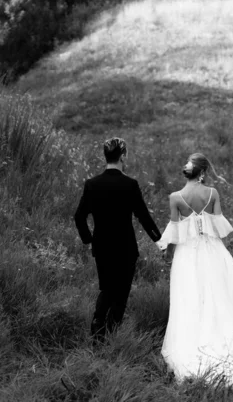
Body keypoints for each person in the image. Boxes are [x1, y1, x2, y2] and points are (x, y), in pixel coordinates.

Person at [158, 153, 233, 385]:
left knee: (189, 299)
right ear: (203, 172)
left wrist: (167, 252)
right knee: (219, 296)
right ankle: (226, 341)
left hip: (186, 255)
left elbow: (174, 234)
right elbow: (219, 229)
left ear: (190, 171)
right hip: (213, 252)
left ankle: (192, 345)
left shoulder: (175, 197)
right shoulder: (212, 193)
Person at [74, 137, 162, 342]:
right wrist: (159, 241)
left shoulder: (92, 184)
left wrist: (88, 239)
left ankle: (97, 329)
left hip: (102, 246)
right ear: (123, 156)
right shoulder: (130, 184)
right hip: (126, 248)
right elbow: (143, 216)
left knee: (106, 288)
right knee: (121, 293)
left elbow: (79, 216)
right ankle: (111, 336)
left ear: (105, 156)